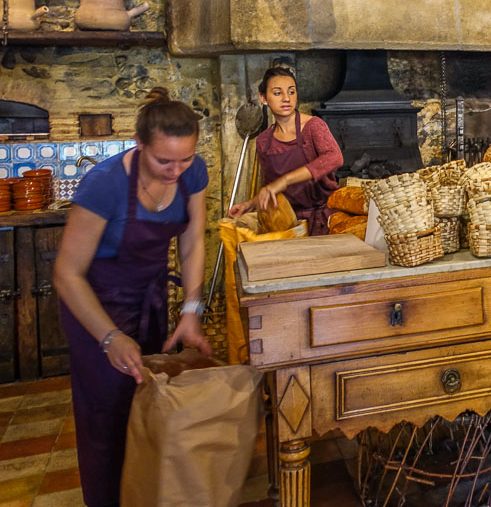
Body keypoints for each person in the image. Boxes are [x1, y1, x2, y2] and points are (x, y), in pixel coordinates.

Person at [54, 88, 211, 507]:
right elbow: (67, 275)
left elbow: (193, 241)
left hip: (150, 301)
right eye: (164, 160)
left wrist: (191, 309)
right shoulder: (103, 186)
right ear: (139, 145)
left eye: (185, 159)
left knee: (149, 410)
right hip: (95, 307)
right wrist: (108, 337)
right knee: (107, 419)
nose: (176, 171)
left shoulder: (193, 173)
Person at [228, 66, 343, 235]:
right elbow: (270, 189)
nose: (286, 98)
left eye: (291, 92)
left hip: (323, 222)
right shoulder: (264, 141)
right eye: (277, 93)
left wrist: (285, 180)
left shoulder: (313, 126)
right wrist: (248, 205)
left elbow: (335, 157)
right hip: (287, 224)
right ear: (263, 98)